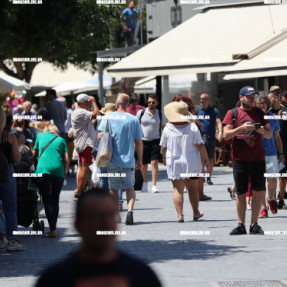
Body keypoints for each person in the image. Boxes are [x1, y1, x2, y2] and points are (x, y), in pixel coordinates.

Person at [35, 188, 162, 287]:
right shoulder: (54, 280)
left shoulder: (142, 276)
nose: (106, 223)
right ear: (78, 225)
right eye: (97, 216)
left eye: (111, 215)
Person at [223, 86, 272, 235]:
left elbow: (269, 134)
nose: (252, 99)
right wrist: (241, 128)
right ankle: (241, 225)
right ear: (241, 97)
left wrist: (260, 130)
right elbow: (225, 136)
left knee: (258, 192)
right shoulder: (232, 113)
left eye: (253, 96)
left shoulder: (260, 112)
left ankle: (254, 224)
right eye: (249, 96)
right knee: (241, 193)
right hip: (240, 159)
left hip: (258, 159)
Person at [160, 102, 211, 222]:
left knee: (177, 189)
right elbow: (200, 144)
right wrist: (207, 160)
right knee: (192, 188)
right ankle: (196, 212)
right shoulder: (192, 127)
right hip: (191, 161)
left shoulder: (167, 128)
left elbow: (163, 146)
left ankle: (180, 215)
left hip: (174, 160)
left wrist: (163, 157)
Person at [98, 93, 143, 225]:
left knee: (114, 189)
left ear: (117, 104)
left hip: (112, 160)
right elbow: (139, 142)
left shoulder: (108, 117)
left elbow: (100, 136)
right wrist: (140, 160)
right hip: (129, 160)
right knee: (129, 188)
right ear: (128, 104)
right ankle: (130, 211)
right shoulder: (133, 119)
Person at [33, 124, 69, 237]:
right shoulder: (61, 140)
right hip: (58, 170)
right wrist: (66, 169)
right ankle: (54, 228)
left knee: (47, 200)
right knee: (55, 198)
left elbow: (33, 154)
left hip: (43, 170)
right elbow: (67, 158)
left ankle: (53, 230)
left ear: (45, 130)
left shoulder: (40, 136)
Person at [0, 108, 26, 251]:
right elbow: (17, 158)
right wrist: (20, 144)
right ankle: (12, 241)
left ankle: (1, 238)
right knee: (10, 207)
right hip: (6, 173)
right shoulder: (10, 136)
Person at [255, 94, 284, 218]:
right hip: (256, 154)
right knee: (260, 182)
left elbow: (277, 137)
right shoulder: (253, 117)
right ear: (256, 105)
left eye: (264, 103)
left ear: (268, 105)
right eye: (259, 103)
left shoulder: (272, 117)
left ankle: (271, 198)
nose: (262, 105)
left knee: (272, 180)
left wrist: (281, 153)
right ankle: (263, 208)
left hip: (271, 153)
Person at [72, 94, 99, 200]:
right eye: (87, 102)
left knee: (82, 167)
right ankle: (79, 191)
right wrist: (94, 102)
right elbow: (96, 115)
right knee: (85, 168)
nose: (89, 103)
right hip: (85, 143)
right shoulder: (81, 112)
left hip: (81, 143)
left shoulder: (78, 111)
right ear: (82, 103)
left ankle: (79, 191)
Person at [136, 94, 166, 193]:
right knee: (143, 165)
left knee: (154, 162)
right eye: (149, 102)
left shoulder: (160, 115)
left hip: (155, 141)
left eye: (153, 102)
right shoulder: (141, 113)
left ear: (157, 103)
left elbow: (164, 129)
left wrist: (165, 143)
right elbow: (135, 127)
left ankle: (154, 185)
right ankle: (145, 182)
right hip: (143, 141)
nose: (151, 104)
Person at [196, 93, 223, 186]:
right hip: (200, 138)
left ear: (208, 100)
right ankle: (201, 177)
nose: (201, 101)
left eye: (203, 99)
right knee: (201, 158)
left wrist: (220, 133)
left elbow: (219, 122)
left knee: (210, 159)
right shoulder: (197, 111)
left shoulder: (214, 111)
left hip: (211, 138)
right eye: (200, 99)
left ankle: (208, 177)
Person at [268, 87, 287, 209]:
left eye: (269, 99)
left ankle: (281, 199)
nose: (268, 101)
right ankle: (272, 199)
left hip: (285, 147)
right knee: (272, 176)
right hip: (271, 149)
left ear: (276, 98)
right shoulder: (267, 113)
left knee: (283, 175)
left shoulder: (285, 111)